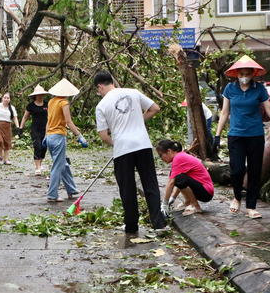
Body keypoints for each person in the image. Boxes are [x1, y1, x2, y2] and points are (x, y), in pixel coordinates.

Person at [213, 55, 270, 219]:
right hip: (236, 135)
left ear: (253, 74)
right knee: (237, 169)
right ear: (236, 74)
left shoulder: (259, 89)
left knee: (255, 171)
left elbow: (269, 110)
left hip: (255, 134)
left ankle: (251, 206)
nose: (244, 77)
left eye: (247, 73)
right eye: (241, 74)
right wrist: (217, 135)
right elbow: (225, 112)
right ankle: (236, 197)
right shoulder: (229, 89)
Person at [94, 71, 168, 234]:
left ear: (100, 86)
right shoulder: (133, 92)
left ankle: (132, 226)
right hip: (143, 145)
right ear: (112, 81)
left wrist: (116, 142)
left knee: (127, 189)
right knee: (151, 185)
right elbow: (155, 108)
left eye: (98, 90)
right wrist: (137, 120)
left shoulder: (101, 106)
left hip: (123, 150)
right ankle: (159, 224)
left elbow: (104, 136)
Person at [45, 78, 86, 202]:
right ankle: (52, 195)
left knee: (63, 164)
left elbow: (49, 120)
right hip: (58, 136)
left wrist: (45, 135)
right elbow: (68, 121)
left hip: (50, 136)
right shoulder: (64, 103)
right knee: (58, 166)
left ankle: (71, 189)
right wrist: (79, 135)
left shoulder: (51, 102)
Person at [157, 140, 214, 217]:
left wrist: (165, 203)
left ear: (169, 151)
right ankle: (187, 201)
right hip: (204, 190)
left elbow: (172, 182)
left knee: (178, 178)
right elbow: (178, 181)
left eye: (161, 155)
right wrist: (173, 198)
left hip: (206, 191)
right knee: (177, 177)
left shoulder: (178, 158)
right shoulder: (179, 156)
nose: (161, 158)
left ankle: (195, 205)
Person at [19, 85, 49, 176]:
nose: (40, 96)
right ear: (35, 95)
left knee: (44, 148)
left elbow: (51, 117)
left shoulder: (47, 104)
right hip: (35, 129)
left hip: (46, 129)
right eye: (38, 94)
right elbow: (25, 117)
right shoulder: (31, 105)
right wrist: (20, 128)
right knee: (37, 146)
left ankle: (40, 164)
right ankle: (38, 167)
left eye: (41, 94)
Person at [0, 92, 20, 165]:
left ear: (10, 99)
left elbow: (15, 118)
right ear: (2, 98)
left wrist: (18, 127)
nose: (6, 99)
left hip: (7, 126)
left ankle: (6, 159)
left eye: (8, 98)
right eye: (5, 97)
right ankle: (0, 155)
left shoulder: (12, 108)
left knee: (7, 143)